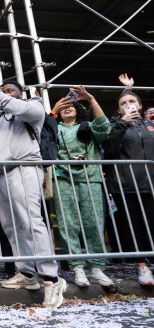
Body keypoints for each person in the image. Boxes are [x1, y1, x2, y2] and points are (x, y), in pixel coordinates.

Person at [0, 79, 67, 308]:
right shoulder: (1, 116)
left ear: (21, 93)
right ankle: (26, 272)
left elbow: (20, 108)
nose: (5, 94)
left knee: (31, 221)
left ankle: (52, 278)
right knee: (11, 225)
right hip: (0, 173)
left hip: (24, 168)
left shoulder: (32, 106)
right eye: (3, 91)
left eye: (10, 91)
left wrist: (1, 95)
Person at [50, 85, 113, 288]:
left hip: (90, 177)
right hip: (63, 179)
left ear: (78, 109)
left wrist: (91, 99)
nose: (67, 108)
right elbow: (41, 133)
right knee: (68, 224)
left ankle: (96, 267)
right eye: (64, 106)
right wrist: (53, 109)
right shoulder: (56, 128)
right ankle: (77, 267)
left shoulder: (88, 126)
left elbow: (104, 127)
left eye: (71, 105)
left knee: (94, 221)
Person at [102, 86, 154, 286]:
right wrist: (123, 124)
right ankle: (142, 266)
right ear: (118, 110)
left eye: (132, 102)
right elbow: (109, 149)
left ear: (140, 106)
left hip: (150, 183)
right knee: (133, 228)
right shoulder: (115, 125)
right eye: (123, 103)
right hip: (126, 185)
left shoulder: (148, 126)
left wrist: (128, 89)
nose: (128, 105)